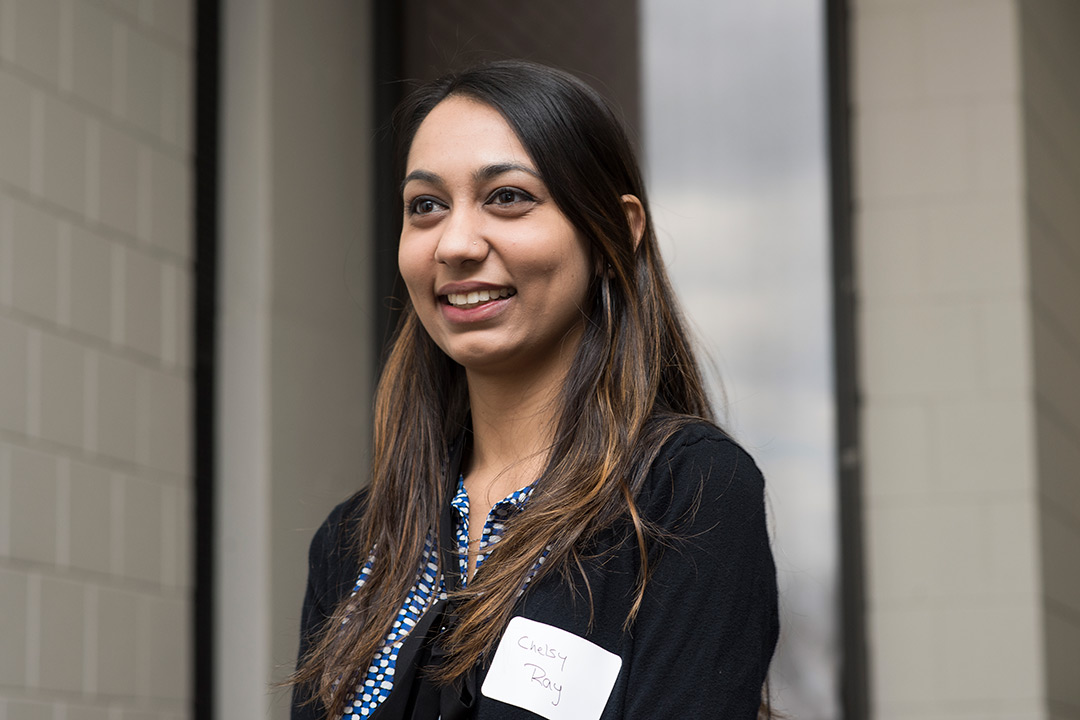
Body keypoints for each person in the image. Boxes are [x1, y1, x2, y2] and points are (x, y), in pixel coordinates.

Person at [290, 60, 778, 720]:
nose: (455, 244)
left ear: (616, 232)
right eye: (426, 207)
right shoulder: (353, 542)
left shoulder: (688, 493)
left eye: (508, 197)